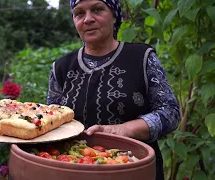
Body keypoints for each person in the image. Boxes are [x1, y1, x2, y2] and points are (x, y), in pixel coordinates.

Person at [47, 0, 180, 180]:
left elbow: (170, 113)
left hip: (133, 170)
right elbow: (52, 122)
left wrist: (123, 130)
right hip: (75, 171)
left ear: (114, 16)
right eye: (79, 13)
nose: (88, 19)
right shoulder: (61, 68)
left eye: (97, 9)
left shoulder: (141, 57)